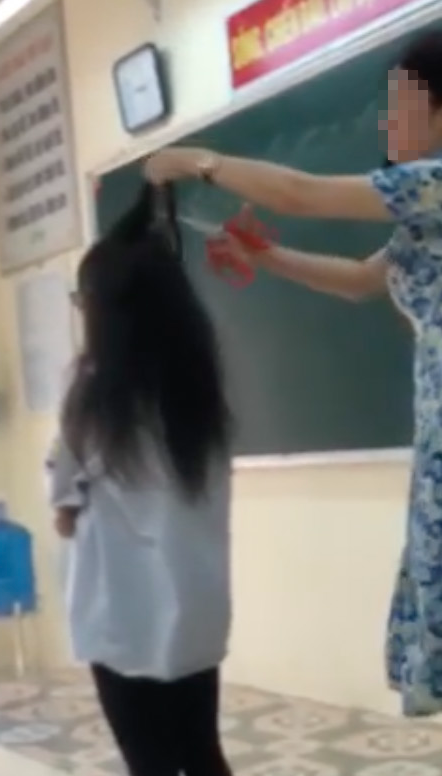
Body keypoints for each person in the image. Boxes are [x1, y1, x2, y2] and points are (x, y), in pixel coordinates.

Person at [143, 29, 442, 718]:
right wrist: (267, 257)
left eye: (403, 103)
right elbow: (361, 280)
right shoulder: (421, 215)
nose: (387, 121)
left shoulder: (434, 184)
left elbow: (301, 194)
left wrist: (197, 161)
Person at [47, 186, 242, 776]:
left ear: (106, 312)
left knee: (152, 775)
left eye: (83, 300)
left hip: (122, 618)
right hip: (195, 615)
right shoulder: (200, 392)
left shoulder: (92, 395)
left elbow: (63, 506)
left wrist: (77, 506)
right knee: (203, 756)